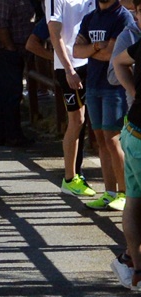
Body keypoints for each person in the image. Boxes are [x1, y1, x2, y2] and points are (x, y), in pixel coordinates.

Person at [73, 0, 134, 209]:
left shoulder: (122, 17)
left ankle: (124, 193)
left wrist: (90, 49)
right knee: (100, 140)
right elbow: (76, 51)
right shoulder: (90, 18)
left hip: (114, 88)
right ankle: (109, 193)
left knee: (113, 139)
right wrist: (99, 46)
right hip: (93, 85)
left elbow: (112, 54)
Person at [49, 0, 97, 196]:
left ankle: (78, 174)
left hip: (91, 62)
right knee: (76, 120)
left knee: (87, 121)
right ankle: (69, 178)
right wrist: (69, 70)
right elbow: (55, 34)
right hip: (69, 66)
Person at [113, 27, 141, 289]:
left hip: (132, 132)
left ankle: (133, 264)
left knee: (133, 201)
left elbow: (118, 61)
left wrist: (133, 90)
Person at [0, 0, 35, 147]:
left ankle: (3, 134)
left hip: (16, 51)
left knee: (7, 93)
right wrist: (10, 49)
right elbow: (0, 24)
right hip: (5, 52)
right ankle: (11, 135)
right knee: (11, 93)